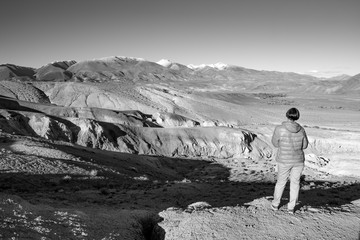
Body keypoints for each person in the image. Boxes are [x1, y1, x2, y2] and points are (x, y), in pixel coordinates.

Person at [271, 107, 308, 214]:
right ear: (297, 116)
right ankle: (291, 207)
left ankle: (275, 204)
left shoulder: (279, 129)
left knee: (281, 182)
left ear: (287, 115)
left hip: (284, 160)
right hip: (298, 160)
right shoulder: (301, 130)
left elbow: (275, 143)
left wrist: (283, 146)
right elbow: (305, 146)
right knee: (295, 183)